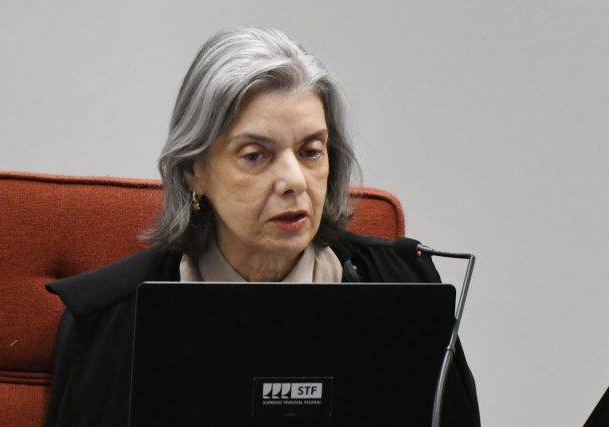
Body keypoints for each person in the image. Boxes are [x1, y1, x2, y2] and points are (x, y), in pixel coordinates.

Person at [43, 27, 480, 426]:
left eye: (311, 152)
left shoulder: (409, 292)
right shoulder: (108, 321)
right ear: (195, 170)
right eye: (255, 156)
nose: (294, 181)